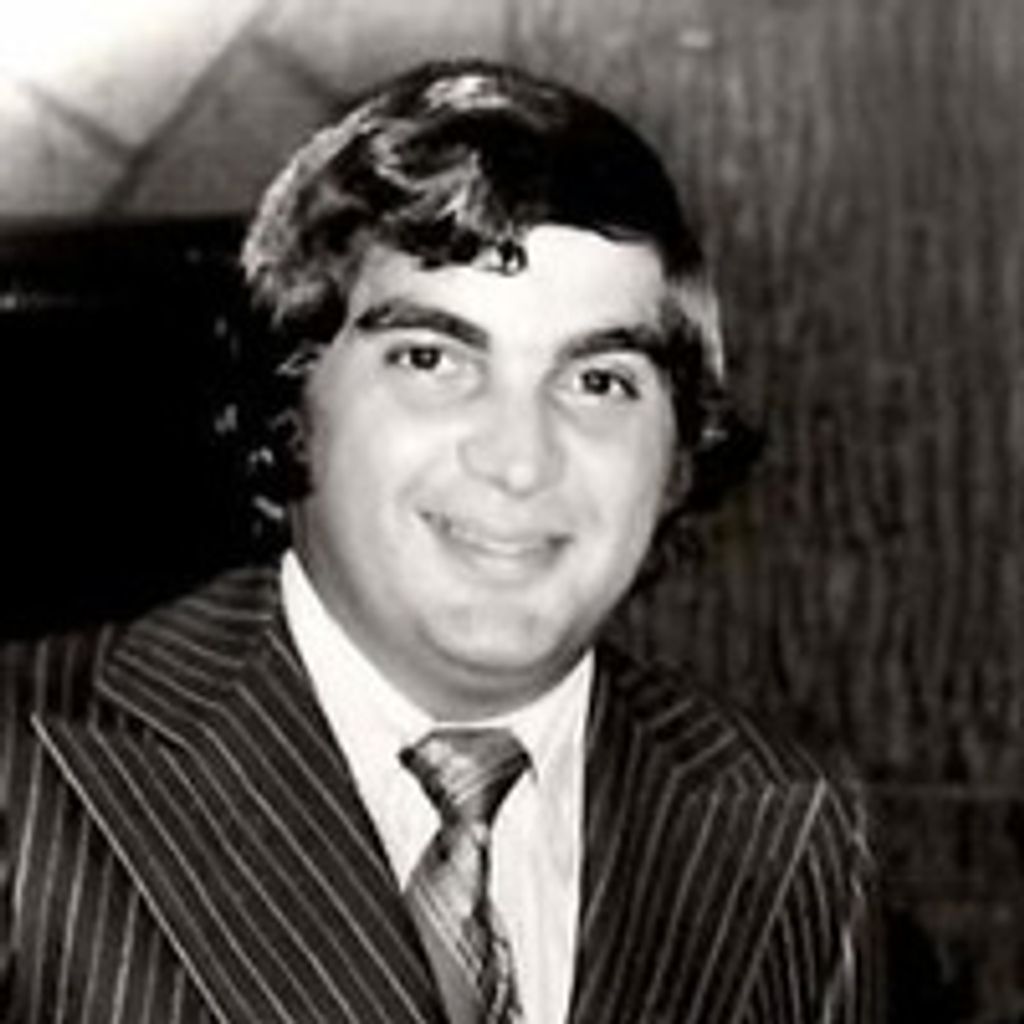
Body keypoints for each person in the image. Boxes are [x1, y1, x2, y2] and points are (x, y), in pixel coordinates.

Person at [1, 60, 878, 1023]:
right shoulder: (22, 771)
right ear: (291, 402)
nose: (520, 460)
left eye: (598, 381)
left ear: (676, 452)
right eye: (432, 359)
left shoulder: (792, 825)